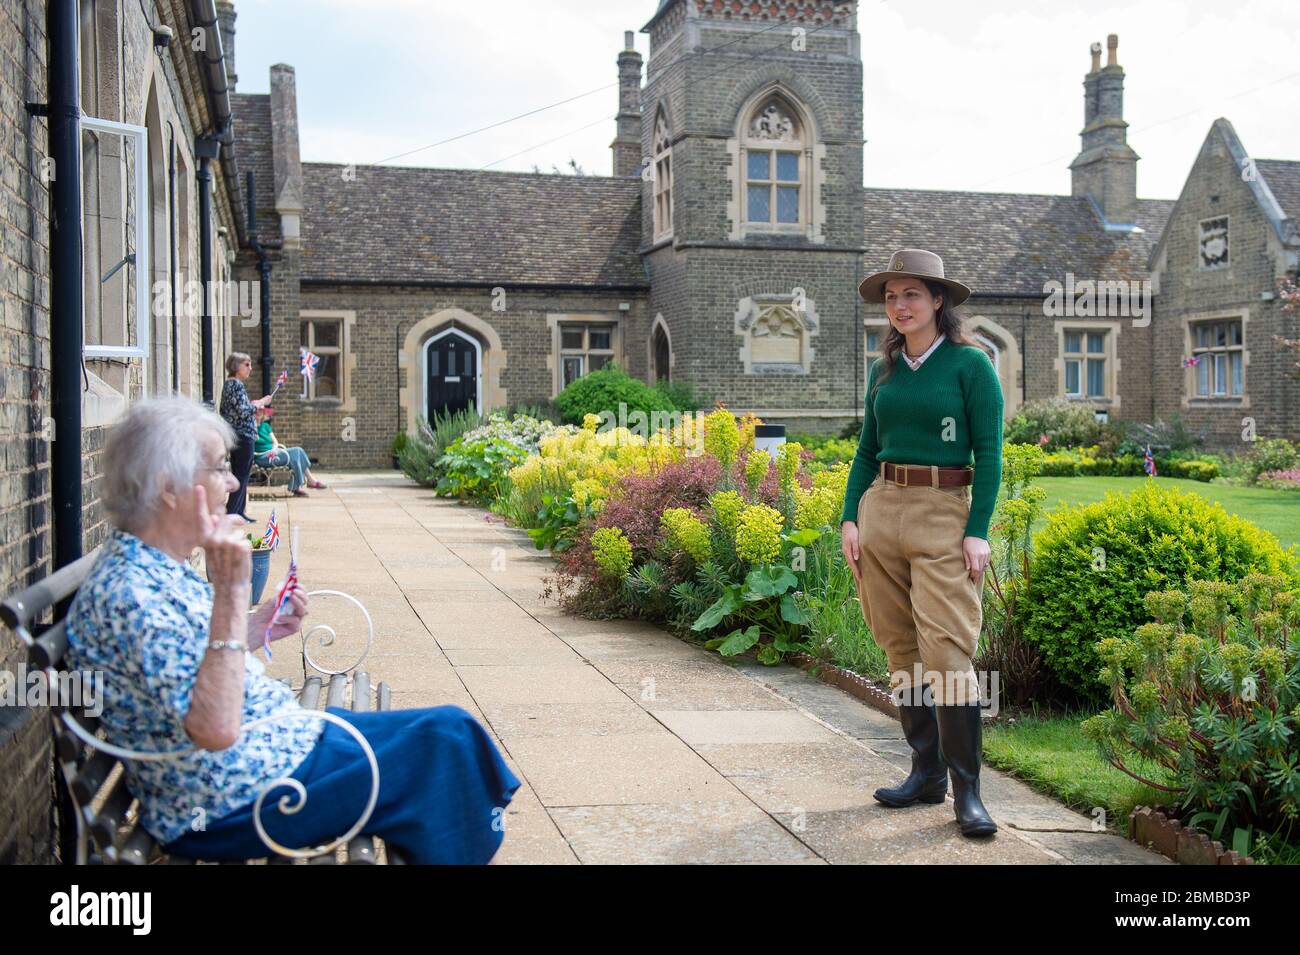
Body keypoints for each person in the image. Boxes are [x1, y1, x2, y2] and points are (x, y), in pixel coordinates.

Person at [64, 396, 520, 863]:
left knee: (447, 734)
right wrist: (230, 593)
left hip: (271, 752)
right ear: (168, 487)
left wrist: (257, 626)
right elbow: (214, 729)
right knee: (445, 742)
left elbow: (186, 665)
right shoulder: (132, 596)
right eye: (219, 469)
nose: (233, 482)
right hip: (237, 801)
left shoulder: (153, 567)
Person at [839, 249, 1004, 838]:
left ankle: (969, 792)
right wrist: (850, 517)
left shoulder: (970, 365)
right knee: (900, 649)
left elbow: (990, 453)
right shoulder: (881, 370)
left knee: (948, 653)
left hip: (943, 514)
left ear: (939, 301)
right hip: (882, 509)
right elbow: (866, 449)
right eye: (891, 296)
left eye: (911, 294)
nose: (899, 306)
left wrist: (978, 529)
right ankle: (925, 773)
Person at [220, 353, 270, 523]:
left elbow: (238, 409)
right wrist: (259, 403)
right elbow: (243, 411)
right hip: (242, 436)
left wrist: (253, 404)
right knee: (241, 475)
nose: (250, 368)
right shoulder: (235, 385)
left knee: (242, 474)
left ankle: (239, 511)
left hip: (238, 435)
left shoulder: (233, 385)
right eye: (246, 365)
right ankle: (232, 513)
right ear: (236, 366)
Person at [253, 406, 326, 497]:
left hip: (274, 453)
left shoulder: (266, 426)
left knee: (298, 451)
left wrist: (274, 449)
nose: (259, 412)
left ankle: (304, 483)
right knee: (293, 455)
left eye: (261, 410)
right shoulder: (250, 427)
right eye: (256, 411)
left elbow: (275, 442)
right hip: (262, 457)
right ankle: (304, 484)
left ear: (264, 413)